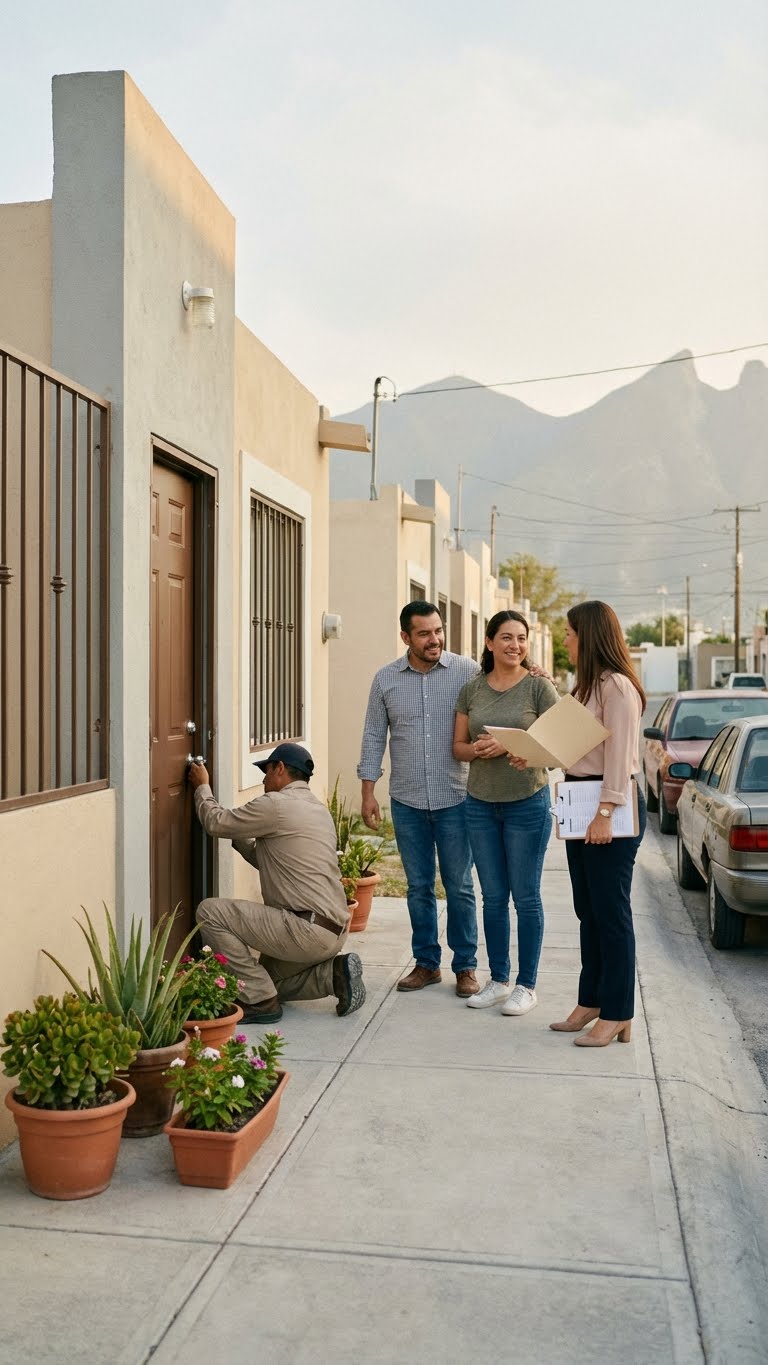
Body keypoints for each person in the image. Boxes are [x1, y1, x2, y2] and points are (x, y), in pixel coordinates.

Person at [187, 742, 365, 1025]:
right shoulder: (318, 810)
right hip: (334, 931)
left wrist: (202, 786)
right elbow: (267, 859)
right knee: (264, 980)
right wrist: (239, 833)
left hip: (304, 930)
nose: (263, 780)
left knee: (210, 912)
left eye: (266, 771)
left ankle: (260, 1004)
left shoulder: (275, 805)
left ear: (280, 768)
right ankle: (333, 975)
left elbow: (215, 822)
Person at [358, 601, 480, 996]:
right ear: (406, 637)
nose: (435, 639)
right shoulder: (386, 679)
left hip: (456, 797)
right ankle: (427, 963)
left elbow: (502, 695)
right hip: (407, 800)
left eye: (438, 630)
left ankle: (465, 966)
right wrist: (367, 792)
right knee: (419, 886)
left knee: (459, 886)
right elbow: (374, 736)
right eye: (425, 633)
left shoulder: (467, 672)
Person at [550, 600, 647, 1047]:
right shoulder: (585, 686)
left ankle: (619, 1012)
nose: (565, 639)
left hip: (607, 808)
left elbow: (621, 756)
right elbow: (573, 746)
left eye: (569, 633)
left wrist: (605, 813)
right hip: (579, 803)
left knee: (611, 913)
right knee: (587, 910)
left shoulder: (617, 687)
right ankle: (591, 1001)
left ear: (587, 635)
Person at [453, 610, 559, 1015]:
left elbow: (556, 749)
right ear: (489, 642)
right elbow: (458, 747)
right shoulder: (473, 689)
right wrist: (478, 750)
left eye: (521, 638)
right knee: (493, 897)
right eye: (507, 637)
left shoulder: (538, 688)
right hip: (479, 803)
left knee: (526, 897)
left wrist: (515, 747)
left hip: (527, 804)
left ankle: (526, 986)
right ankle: (498, 980)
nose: (515, 645)